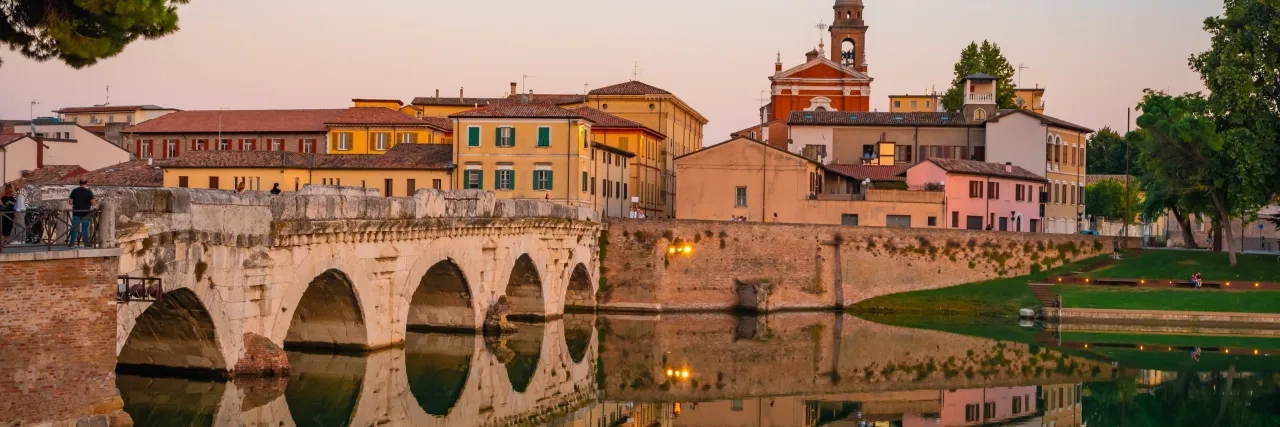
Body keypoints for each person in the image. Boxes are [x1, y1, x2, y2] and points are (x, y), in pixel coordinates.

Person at [68, 179, 95, 248]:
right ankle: (86, 243)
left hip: (76, 212)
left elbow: (70, 202)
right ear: (86, 183)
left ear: (79, 183)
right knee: (85, 229)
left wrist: (75, 203)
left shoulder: (75, 191)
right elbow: (93, 203)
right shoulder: (89, 192)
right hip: (86, 213)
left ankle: (72, 243)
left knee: (74, 228)